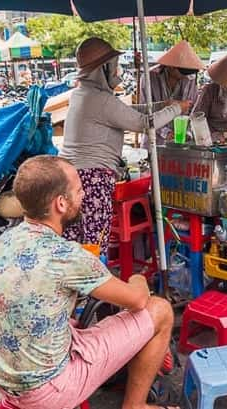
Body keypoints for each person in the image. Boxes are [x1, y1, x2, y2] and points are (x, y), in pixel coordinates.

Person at [0, 156, 176, 409]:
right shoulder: (66, 255)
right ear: (61, 203)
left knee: (74, 322)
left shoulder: (4, 241)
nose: (83, 196)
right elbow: (137, 300)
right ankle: (136, 406)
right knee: (160, 310)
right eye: (79, 190)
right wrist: (138, 278)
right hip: (48, 391)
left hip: (5, 382)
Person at [60, 37, 189, 256]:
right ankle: (96, 287)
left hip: (70, 177)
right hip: (92, 180)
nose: (118, 71)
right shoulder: (100, 99)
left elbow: (127, 111)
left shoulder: (83, 94)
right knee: (93, 245)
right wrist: (177, 109)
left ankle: (78, 287)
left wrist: (163, 105)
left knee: (76, 243)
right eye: (115, 66)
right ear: (103, 69)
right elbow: (143, 123)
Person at [139, 40, 204, 147]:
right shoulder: (149, 78)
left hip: (182, 143)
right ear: (171, 67)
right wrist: (166, 133)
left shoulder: (190, 79)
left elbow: (193, 110)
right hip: (154, 142)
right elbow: (145, 112)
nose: (185, 77)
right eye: (182, 73)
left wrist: (188, 132)